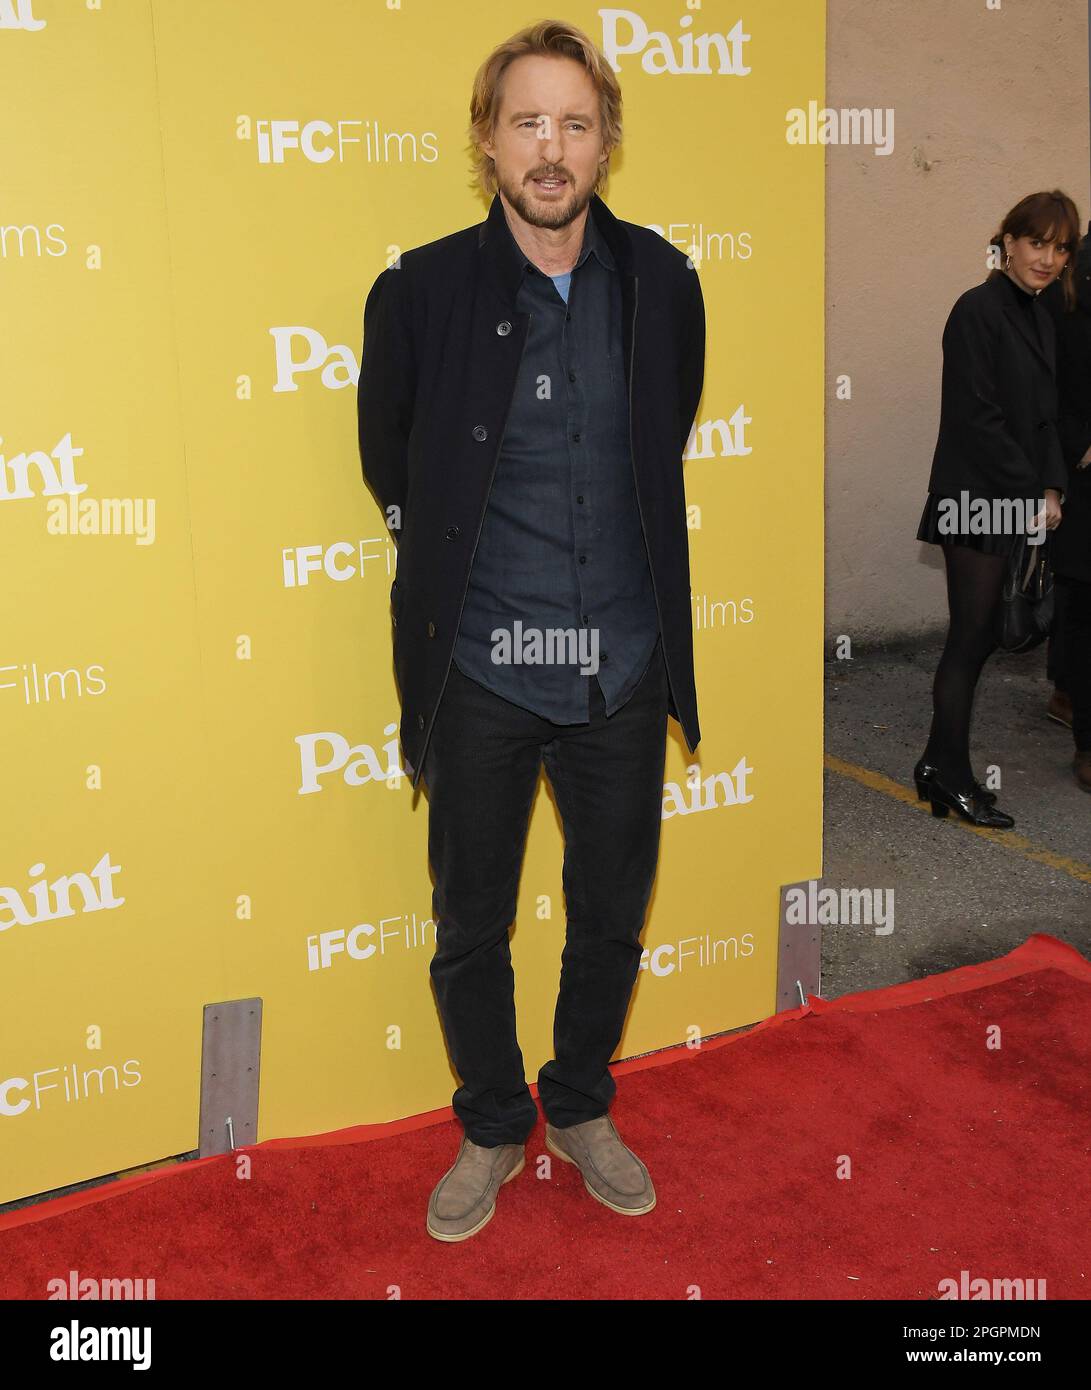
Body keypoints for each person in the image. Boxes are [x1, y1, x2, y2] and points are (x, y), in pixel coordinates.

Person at [357, 20, 705, 1242]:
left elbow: (659, 443)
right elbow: (388, 460)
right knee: (471, 924)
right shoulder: (419, 291)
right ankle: (496, 1123)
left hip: (621, 658)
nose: (549, 148)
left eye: (573, 122)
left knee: (611, 912)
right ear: (484, 138)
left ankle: (581, 1103)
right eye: (525, 122)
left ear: (605, 141)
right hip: (483, 673)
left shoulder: (663, 284)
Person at [914, 190, 1079, 827]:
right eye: (1037, 242)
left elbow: (1047, 418)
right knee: (971, 639)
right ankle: (948, 773)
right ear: (1007, 242)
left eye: (1061, 248)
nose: (1048, 257)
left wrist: (1055, 486)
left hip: (1015, 496)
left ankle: (937, 764)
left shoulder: (1039, 314)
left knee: (980, 639)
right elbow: (974, 417)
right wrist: (1032, 490)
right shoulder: (976, 310)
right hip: (974, 498)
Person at [1043, 223, 1091, 791]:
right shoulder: (1067, 284)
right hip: (1081, 473)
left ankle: (1065, 690)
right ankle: (1084, 734)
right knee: (1081, 601)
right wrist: (1076, 444)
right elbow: (1041, 382)